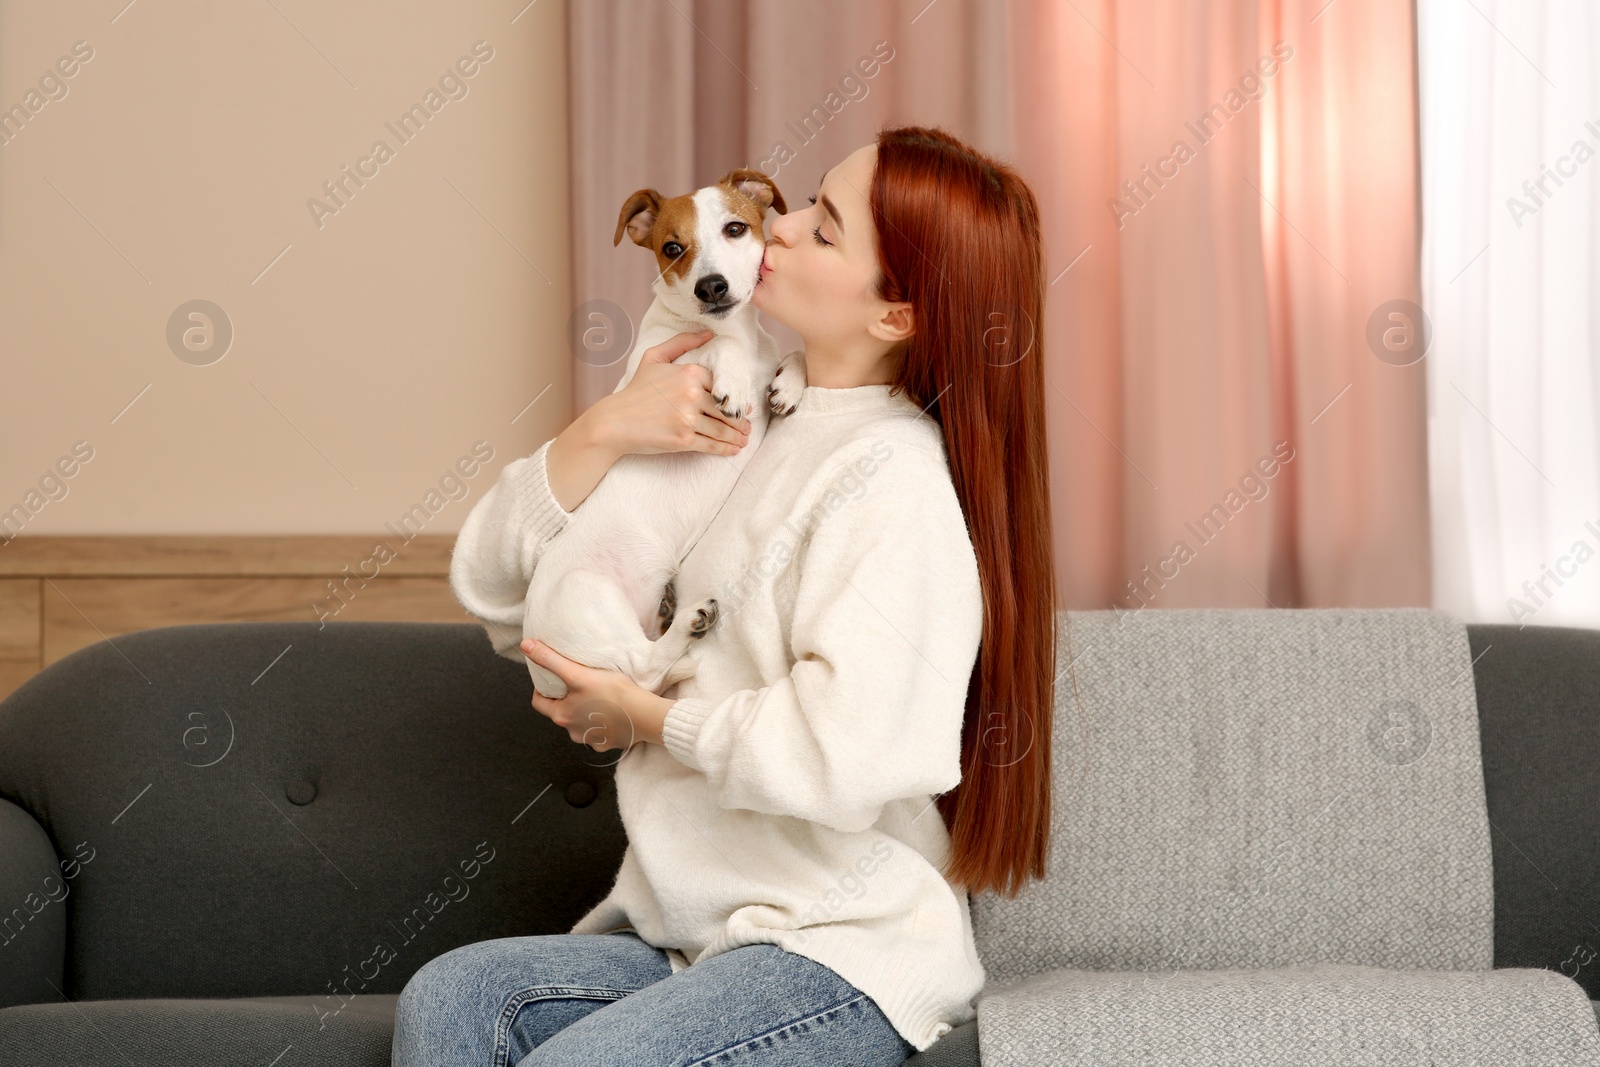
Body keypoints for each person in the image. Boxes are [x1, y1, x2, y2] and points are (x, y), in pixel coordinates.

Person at [393, 123, 1060, 1067]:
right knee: (454, 1000)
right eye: (800, 203)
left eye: (824, 229)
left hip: (834, 950)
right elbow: (505, 597)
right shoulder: (742, 413)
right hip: (694, 937)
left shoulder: (891, 480)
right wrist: (601, 432)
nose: (776, 229)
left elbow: (856, 749)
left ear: (894, 316)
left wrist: (650, 716)